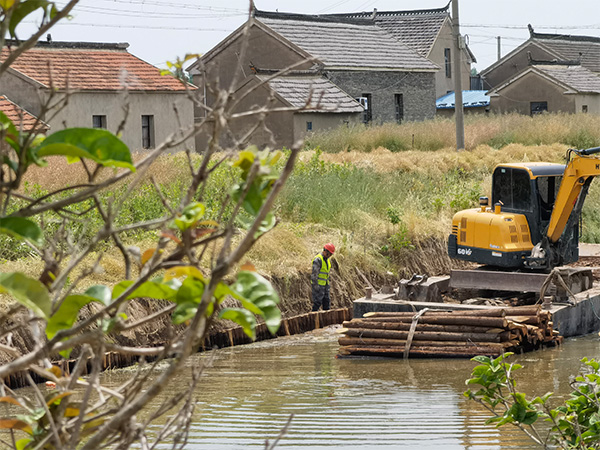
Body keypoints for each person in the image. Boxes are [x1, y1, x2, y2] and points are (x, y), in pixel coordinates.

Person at [311, 243, 335, 311]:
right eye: (329, 254)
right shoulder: (318, 260)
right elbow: (314, 275)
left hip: (325, 285)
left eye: (331, 254)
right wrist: (316, 286)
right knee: (317, 302)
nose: (329, 256)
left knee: (326, 302)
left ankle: (327, 319)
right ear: (325, 251)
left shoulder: (327, 260)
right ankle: (313, 317)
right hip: (318, 285)